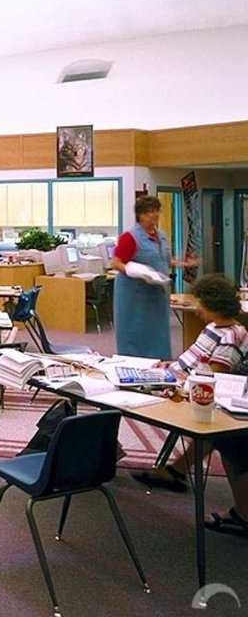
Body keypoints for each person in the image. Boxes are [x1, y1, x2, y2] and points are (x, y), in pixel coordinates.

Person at [131, 274, 248, 537]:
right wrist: (171, 366)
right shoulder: (215, 328)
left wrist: (175, 378)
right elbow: (194, 360)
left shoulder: (229, 337)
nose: (197, 309)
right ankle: (176, 472)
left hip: (191, 391)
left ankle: (243, 514)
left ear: (212, 304)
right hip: (175, 377)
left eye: (200, 304)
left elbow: (211, 377)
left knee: (225, 441)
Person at [111, 195, 196, 359]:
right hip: (135, 295)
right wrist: (134, 270)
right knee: (136, 333)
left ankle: (160, 364)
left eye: (157, 211)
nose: (155, 215)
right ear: (140, 215)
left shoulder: (161, 236)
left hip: (157, 293)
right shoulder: (130, 237)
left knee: (158, 333)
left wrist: (182, 263)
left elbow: (163, 259)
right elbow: (116, 262)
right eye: (150, 212)